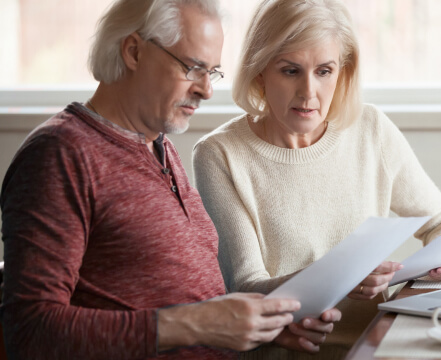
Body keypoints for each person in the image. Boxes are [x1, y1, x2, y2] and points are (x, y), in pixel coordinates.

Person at [0, 1, 340, 359]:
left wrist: (261, 328)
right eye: (193, 68)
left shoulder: (160, 147)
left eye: (213, 72)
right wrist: (196, 324)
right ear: (133, 51)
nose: (206, 90)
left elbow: (178, 301)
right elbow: (30, 331)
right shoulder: (60, 155)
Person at [192, 0, 441, 358]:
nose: (309, 92)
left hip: (375, 347)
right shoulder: (219, 154)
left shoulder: (371, 128)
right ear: (260, 71)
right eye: (290, 70)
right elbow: (247, 288)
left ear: (342, 71)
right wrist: (340, 275)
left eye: (324, 71)